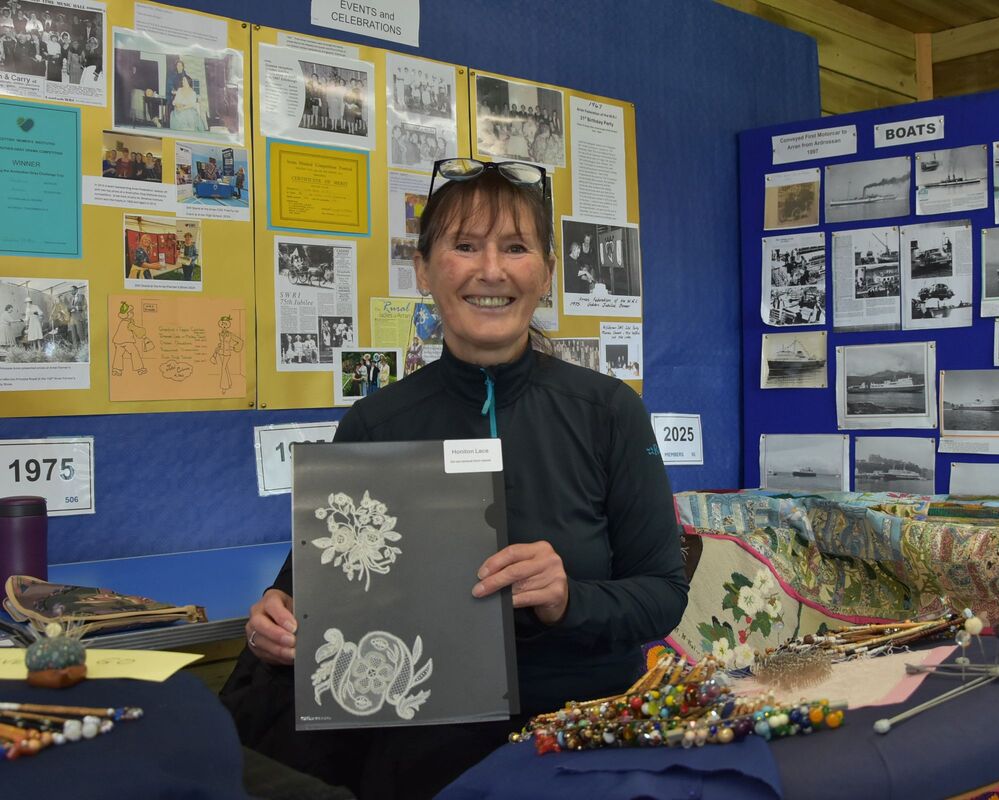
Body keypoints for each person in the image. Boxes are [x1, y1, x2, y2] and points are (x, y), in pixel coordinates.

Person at [223, 159, 687, 799]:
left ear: (547, 272)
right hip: (420, 744)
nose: (490, 270)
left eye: (516, 248)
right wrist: (271, 624)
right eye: (465, 246)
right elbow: (303, 596)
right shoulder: (376, 424)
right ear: (423, 269)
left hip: (580, 737)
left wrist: (567, 599)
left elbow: (663, 594)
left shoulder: (609, 412)